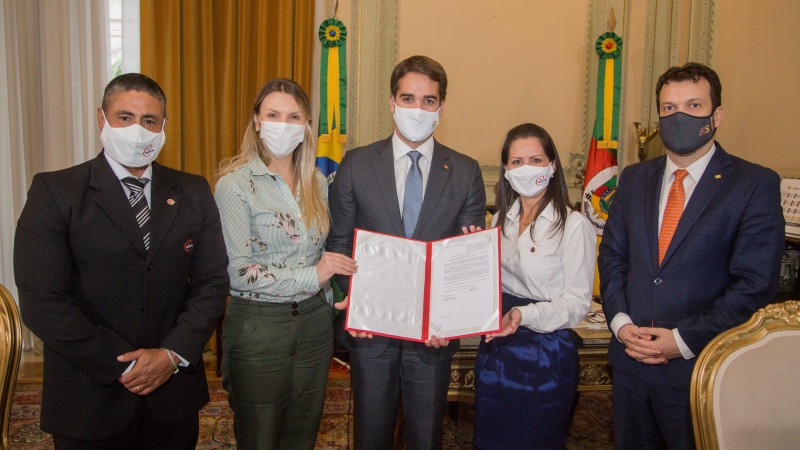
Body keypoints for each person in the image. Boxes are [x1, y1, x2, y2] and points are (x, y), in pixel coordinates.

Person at [13, 73, 230, 449]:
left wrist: (171, 355)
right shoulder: (55, 191)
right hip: (88, 398)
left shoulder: (193, 191)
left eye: (149, 121)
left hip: (172, 396)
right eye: (124, 117)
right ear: (102, 119)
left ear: (164, 126)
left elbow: (212, 283)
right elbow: (42, 301)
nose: (137, 131)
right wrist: (123, 365)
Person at [598, 62, 785, 449]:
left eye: (693, 106)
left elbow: (754, 284)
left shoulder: (754, 184)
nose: (678, 116)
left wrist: (681, 339)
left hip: (699, 369)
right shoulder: (633, 179)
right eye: (668, 108)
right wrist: (619, 321)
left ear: (716, 115)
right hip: (629, 363)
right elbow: (613, 257)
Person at [326, 55, 486, 449]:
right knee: (371, 434)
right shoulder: (357, 164)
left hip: (433, 337)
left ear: (441, 107)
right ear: (392, 102)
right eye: (409, 98)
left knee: (425, 436)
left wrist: (450, 318)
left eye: (428, 101)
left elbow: (466, 258)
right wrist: (352, 302)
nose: (418, 109)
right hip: (372, 330)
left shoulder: (465, 171)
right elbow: (339, 243)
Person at [215, 78, 357, 449]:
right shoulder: (235, 184)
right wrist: (315, 275)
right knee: (259, 435)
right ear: (257, 122)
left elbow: (321, 253)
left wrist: (332, 293)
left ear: (307, 125)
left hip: (314, 324)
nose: (284, 124)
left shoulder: (316, 183)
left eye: (294, 116)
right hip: (260, 327)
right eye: (273, 115)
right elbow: (239, 271)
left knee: (303, 431)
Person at [473, 123, 596, 450]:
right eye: (517, 162)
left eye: (536, 160)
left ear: (553, 165)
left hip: (544, 352)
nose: (526, 169)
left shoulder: (574, 225)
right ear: (506, 170)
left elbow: (576, 303)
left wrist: (522, 315)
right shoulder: (500, 219)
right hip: (497, 348)